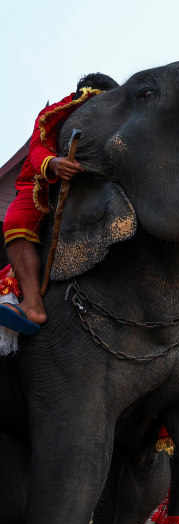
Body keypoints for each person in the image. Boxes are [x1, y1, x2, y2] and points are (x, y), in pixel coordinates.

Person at [0, 73, 118, 335]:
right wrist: (52, 163)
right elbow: (37, 147)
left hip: (100, 184)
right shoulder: (54, 117)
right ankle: (32, 303)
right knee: (15, 219)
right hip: (42, 186)